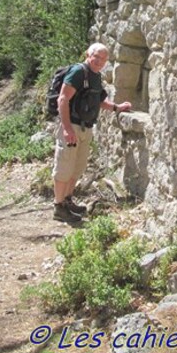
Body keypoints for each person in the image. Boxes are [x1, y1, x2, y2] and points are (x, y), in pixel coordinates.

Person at [52, 43, 131, 223]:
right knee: (64, 167)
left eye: (103, 59)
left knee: (76, 168)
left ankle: (67, 201)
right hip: (72, 126)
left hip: (85, 127)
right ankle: (58, 207)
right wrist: (67, 128)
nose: (99, 61)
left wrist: (117, 108)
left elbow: (98, 100)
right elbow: (63, 99)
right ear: (88, 54)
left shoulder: (95, 76)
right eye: (96, 56)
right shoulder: (78, 72)